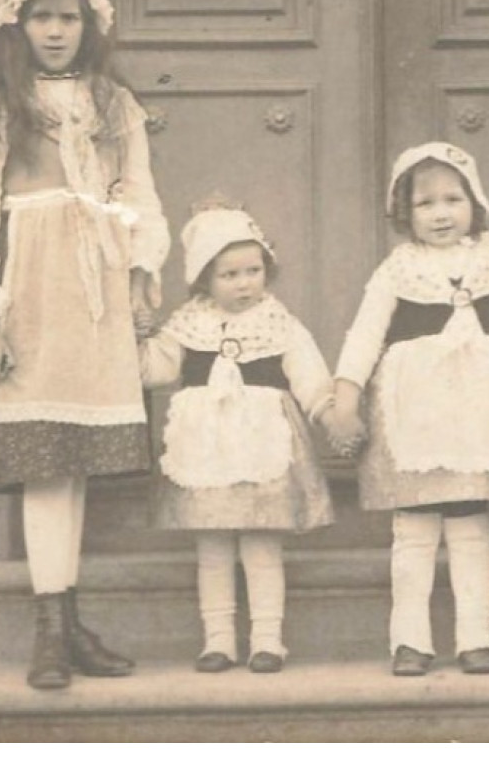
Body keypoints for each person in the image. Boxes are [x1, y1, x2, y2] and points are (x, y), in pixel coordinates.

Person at [0, 0, 170, 689]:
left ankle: (67, 627)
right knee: (45, 466)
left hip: (96, 291)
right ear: (14, 21)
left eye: (68, 17)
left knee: (73, 467)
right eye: (39, 16)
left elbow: (135, 191)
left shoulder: (114, 102)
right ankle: (50, 629)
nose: (54, 31)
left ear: (90, 22)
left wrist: (140, 268)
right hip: (31, 287)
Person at [331, 143, 489, 676]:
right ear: (405, 213)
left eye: (453, 198)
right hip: (415, 416)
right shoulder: (397, 269)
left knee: (471, 525)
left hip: (476, 414)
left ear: (475, 203)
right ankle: (410, 641)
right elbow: (364, 335)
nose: (441, 212)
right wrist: (346, 398)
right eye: (425, 203)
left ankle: (477, 637)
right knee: (415, 527)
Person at [139, 208, 336, 674]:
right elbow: (156, 371)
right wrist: (137, 339)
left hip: (262, 444)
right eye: (229, 274)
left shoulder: (279, 322)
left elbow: (308, 373)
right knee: (212, 548)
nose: (244, 283)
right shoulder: (187, 324)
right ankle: (219, 640)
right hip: (205, 449)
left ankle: (268, 638)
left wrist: (329, 410)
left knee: (262, 545)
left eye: (253, 271)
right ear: (204, 279)